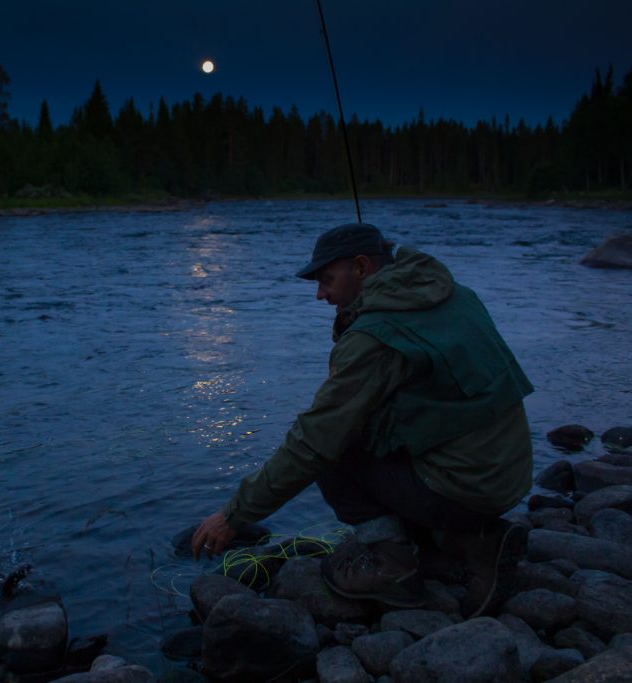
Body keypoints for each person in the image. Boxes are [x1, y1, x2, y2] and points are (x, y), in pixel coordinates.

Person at [190, 223, 534, 617]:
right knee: (364, 425)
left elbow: (313, 441)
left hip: (469, 488)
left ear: (361, 267)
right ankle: (460, 541)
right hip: (511, 474)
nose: (321, 294)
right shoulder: (457, 295)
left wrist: (233, 516)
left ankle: (394, 566)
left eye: (326, 279)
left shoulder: (375, 337)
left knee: (334, 450)